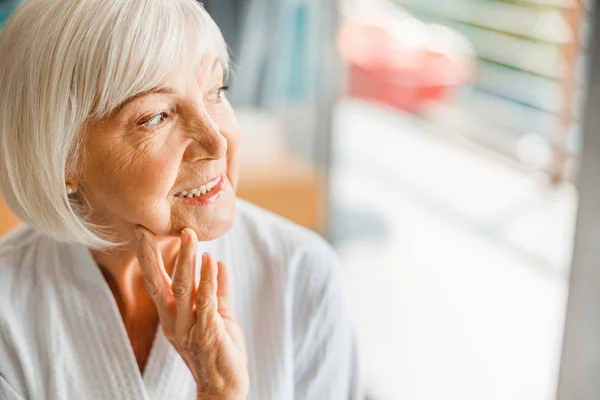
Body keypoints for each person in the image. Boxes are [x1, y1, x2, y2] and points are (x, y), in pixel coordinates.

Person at [0, 0, 361, 399]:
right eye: (156, 117)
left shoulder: (300, 275)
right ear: (61, 158)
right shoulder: (9, 309)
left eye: (215, 92)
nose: (216, 140)